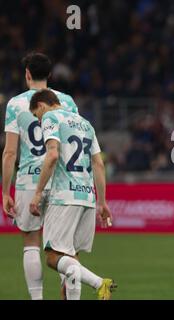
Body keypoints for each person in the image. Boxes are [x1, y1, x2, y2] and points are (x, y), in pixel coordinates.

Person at [2, 52, 78, 300]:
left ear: (27, 75)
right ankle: (69, 294)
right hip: (60, 180)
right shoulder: (66, 101)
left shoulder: (15, 104)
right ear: (50, 75)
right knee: (63, 247)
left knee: (31, 242)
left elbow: (10, 152)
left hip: (27, 180)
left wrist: (5, 191)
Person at [28, 89, 116, 300]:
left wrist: (38, 192)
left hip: (64, 197)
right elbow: (99, 164)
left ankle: (98, 282)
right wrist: (102, 203)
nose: (38, 120)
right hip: (87, 198)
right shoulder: (86, 123)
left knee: (52, 257)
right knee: (70, 260)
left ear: (41, 105)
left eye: (36, 115)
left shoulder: (50, 117)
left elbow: (52, 155)